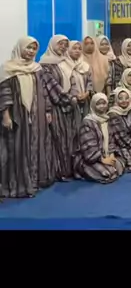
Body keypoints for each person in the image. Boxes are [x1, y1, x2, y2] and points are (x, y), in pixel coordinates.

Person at [0, 36, 56, 198]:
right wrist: (5, 115)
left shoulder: (36, 68)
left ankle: (34, 180)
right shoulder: (7, 69)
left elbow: (44, 91)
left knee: (35, 145)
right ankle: (19, 184)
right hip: (18, 115)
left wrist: (47, 111)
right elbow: (4, 93)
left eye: (34, 49)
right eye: (28, 48)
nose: (31, 51)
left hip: (36, 113)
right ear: (20, 48)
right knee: (17, 148)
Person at [40, 34, 77, 180]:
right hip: (57, 107)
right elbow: (50, 87)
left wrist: (73, 96)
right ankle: (60, 171)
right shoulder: (45, 65)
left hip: (70, 106)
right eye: (60, 44)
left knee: (70, 137)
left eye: (65, 45)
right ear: (52, 45)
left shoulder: (66, 62)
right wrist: (69, 99)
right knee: (58, 139)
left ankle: (69, 169)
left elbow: (73, 81)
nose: (63, 47)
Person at [73, 93, 125, 183]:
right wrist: (102, 159)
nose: (102, 106)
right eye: (98, 104)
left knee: (119, 166)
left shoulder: (107, 119)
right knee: (108, 173)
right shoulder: (88, 122)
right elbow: (89, 147)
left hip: (105, 155)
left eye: (104, 103)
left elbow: (111, 140)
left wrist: (111, 155)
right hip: (90, 158)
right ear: (93, 105)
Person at [66, 40, 94, 131]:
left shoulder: (85, 66)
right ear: (68, 50)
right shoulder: (64, 66)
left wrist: (87, 93)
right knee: (73, 127)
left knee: (85, 126)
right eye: (74, 48)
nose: (77, 51)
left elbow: (90, 81)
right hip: (70, 102)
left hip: (85, 100)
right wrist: (75, 95)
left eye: (79, 49)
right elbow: (64, 84)